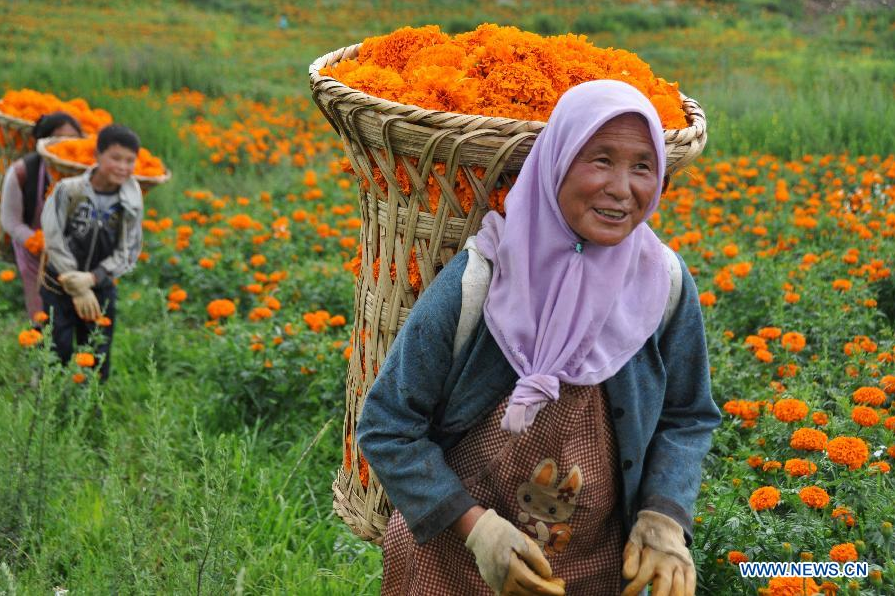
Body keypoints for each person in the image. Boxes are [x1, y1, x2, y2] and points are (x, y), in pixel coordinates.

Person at [357, 80, 722, 596]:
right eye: (600, 159)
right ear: (556, 162)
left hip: (593, 566)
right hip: (454, 561)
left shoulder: (662, 284)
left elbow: (688, 416)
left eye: (643, 166)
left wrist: (663, 515)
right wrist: (477, 529)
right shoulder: (481, 280)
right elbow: (387, 426)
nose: (623, 188)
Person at [40, 123, 144, 382]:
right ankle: (52, 407)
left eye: (130, 161)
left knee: (97, 352)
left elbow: (128, 249)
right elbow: (53, 237)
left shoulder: (131, 199)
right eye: (115, 158)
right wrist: (76, 283)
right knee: (57, 347)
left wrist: (92, 279)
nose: (123, 167)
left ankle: (89, 413)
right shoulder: (69, 189)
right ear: (97, 155)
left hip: (100, 286)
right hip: (58, 284)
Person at [0, 111, 83, 325]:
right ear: (41, 142)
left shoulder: (86, 173)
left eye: (73, 139)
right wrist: (38, 242)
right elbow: (10, 220)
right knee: (40, 307)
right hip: (33, 249)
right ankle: (40, 344)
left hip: (74, 249)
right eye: (58, 139)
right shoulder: (22, 171)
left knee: (77, 304)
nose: (66, 145)